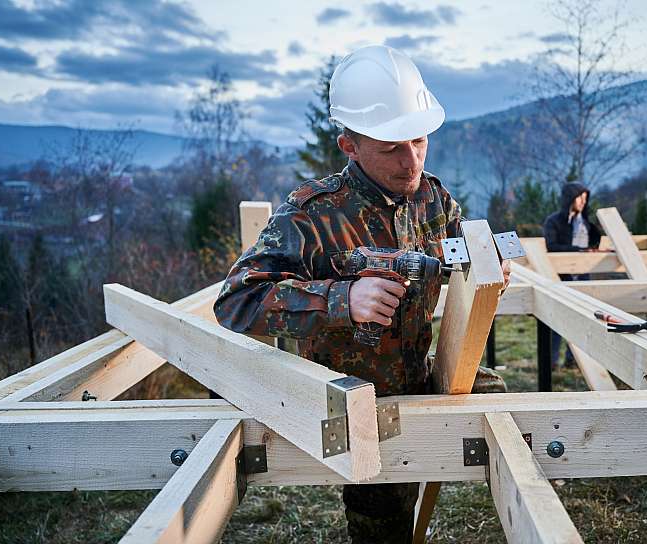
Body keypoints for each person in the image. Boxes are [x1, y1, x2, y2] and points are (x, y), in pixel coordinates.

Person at [213, 45, 508, 544]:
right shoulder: (310, 214)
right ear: (349, 144)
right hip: (353, 405)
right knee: (383, 524)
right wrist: (340, 300)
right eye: (391, 147)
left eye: (419, 140)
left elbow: (458, 257)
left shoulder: (433, 199)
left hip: (419, 377)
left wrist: (485, 266)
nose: (410, 159)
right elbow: (235, 301)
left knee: (506, 412)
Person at [542, 181, 601, 367]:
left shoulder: (586, 223)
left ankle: (572, 359)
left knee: (581, 318)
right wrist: (577, 250)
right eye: (579, 198)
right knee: (557, 320)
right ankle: (551, 361)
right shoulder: (554, 221)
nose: (583, 202)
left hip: (583, 276)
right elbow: (551, 247)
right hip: (561, 277)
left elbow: (593, 244)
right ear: (570, 198)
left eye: (585, 198)